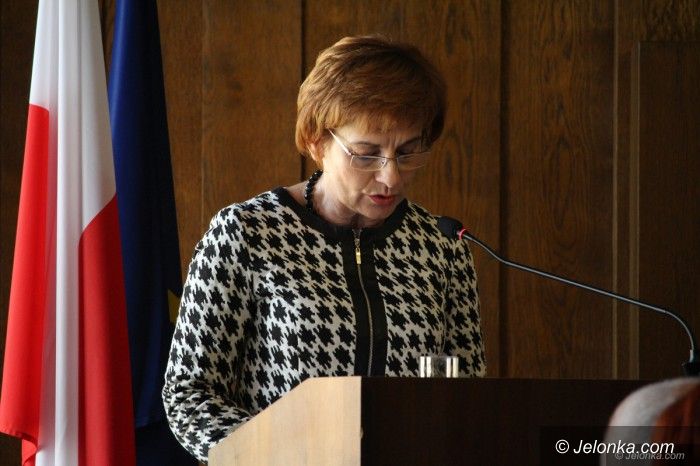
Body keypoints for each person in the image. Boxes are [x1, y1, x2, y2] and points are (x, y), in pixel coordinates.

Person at [163, 34, 487, 462]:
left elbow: (469, 397)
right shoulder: (247, 233)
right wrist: (278, 456)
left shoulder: (442, 247)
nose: (391, 177)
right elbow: (188, 395)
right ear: (317, 141)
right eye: (367, 154)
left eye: (409, 152)